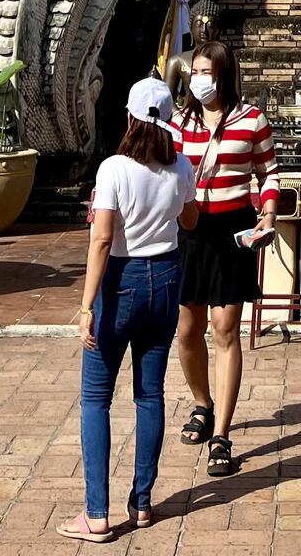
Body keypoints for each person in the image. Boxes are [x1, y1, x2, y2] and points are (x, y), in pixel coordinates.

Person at [57, 77, 198, 545]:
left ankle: (96, 513)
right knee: (149, 394)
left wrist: (85, 305)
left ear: (130, 118)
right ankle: (141, 502)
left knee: (96, 397)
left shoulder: (114, 168)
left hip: (122, 278)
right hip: (166, 277)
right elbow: (191, 219)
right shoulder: (181, 165)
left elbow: (101, 238)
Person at [171, 38, 280, 478]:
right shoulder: (179, 123)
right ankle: (202, 402)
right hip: (189, 231)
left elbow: (268, 172)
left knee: (225, 329)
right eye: (195, 72)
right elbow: (166, 172)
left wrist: (267, 213)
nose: (199, 80)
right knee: (187, 329)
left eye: (207, 73)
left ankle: (221, 434)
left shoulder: (251, 119)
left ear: (225, 75)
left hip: (234, 230)